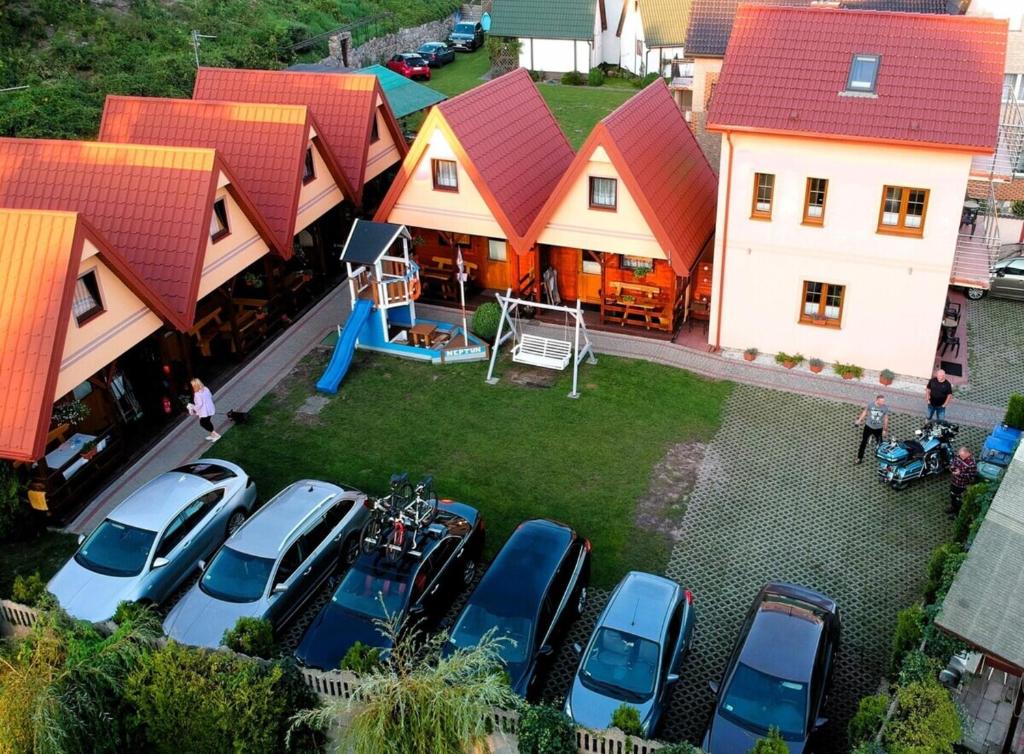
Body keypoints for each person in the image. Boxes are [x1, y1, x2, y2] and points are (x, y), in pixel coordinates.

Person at [855, 395, 890, 464]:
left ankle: (882, 459)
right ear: (877, 400)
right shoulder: (871, 405)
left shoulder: (885, 408)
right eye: (882, 401)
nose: (884, 402)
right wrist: (859, 420)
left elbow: (886, 418)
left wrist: (885, 429)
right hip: (868, 427)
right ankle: (859, 458)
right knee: (863, 443)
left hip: (878, 429)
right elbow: (865, 412)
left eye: (884, 401)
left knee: (880, 444)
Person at [948, 447, 977, 518]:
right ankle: (953, 507)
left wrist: (959, 473)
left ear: (968, 454)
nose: (961, 458)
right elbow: (952, 463)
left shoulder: (972, 464)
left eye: (962, 456)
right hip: (954, 481)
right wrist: (952, 468)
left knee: (959, 500)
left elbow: (971, 476)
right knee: (952, 495)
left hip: (961, 485)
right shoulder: (958, 457)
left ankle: (957, 514)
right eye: (960, 456)